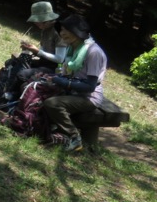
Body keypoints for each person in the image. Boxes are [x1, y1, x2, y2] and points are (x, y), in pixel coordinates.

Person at [42, 14, 108, 153]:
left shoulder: (93, 52)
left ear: (76, 32)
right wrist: (54, 78)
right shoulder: (74, 49)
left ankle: (74, 137)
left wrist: (62, 82)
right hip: (74, 92)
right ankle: (53, 133)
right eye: (61, 30)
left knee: (52, 104)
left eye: (66, 30)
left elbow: (90, 86)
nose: (62, 33)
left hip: (89, 98)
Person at [17, 1, 63, 85]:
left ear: (45, 19)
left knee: (22, 74)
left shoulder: (58, 31)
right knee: (15, 63)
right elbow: (42, 52)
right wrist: (30, 49)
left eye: (37, 21)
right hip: (43, 62)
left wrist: (38, 51)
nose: (35, 23)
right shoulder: (44, 30)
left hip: (54, 68)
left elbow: (60, 59)